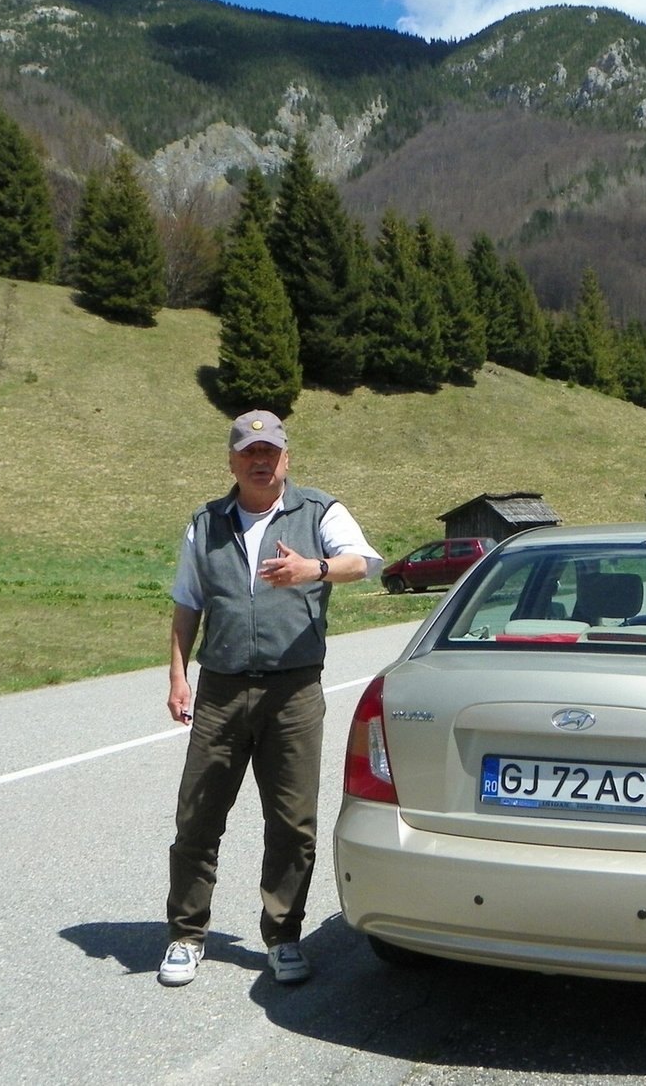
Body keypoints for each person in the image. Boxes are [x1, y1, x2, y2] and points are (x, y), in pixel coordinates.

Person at [158, 410, 381, 988]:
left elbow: (364, 563)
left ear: (286, 458)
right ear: (231, 460)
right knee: (198, 817)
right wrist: (179, 677)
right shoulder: (206, 523)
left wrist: (317, 568)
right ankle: (186, 934)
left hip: (294, 690)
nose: (259, 461)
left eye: (270, 452)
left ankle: (283, 937)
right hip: (221, 689)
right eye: (247, 452)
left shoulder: (320, 511)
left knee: (292, 823)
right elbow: (187, 603)